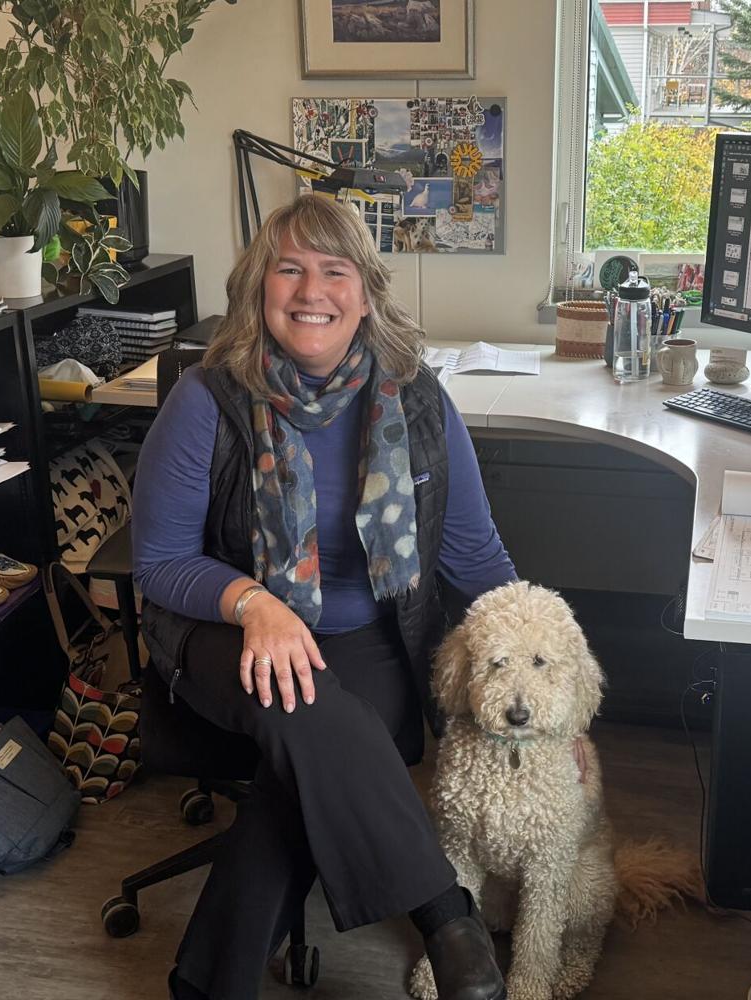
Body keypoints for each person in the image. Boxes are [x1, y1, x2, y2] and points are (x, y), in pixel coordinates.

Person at [133, 194, 516, 1000]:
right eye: (290, 269)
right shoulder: (207, 400)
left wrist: (534, 662)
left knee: (301, 772)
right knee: (316, 717)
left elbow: (470, 551)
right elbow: (160, 564)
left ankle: (206, 983)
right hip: (220, 628)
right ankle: (446, 915)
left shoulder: (414, 400)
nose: (313, 290)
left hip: (368, 633)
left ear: (365, 291)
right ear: (258, 288)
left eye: (334, 270)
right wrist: (253, 603)